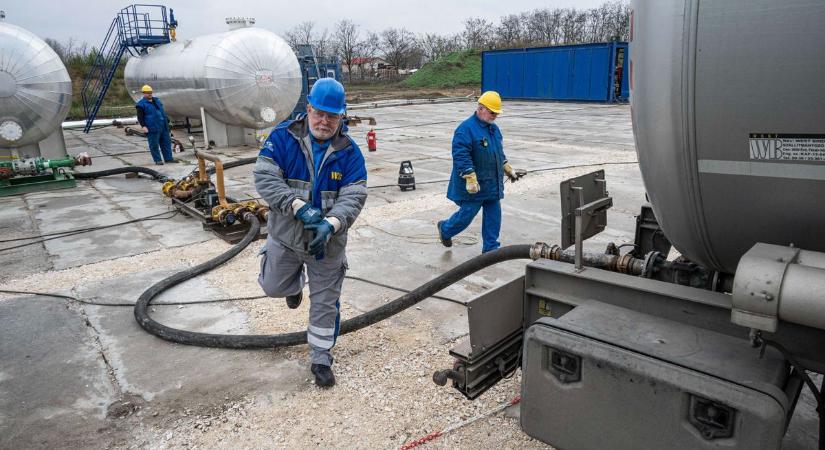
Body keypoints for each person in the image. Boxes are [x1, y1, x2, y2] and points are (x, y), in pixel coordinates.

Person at [253, 78, 367, 388]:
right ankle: (292, 286)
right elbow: (264, 179)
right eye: (319, 113)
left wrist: (331, 224)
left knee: (325, 303)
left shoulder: (350, 152)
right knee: (272, 286)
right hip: (287, 238)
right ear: (308, 109)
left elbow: (354, 196)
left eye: (332, 116)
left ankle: (320, 357)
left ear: (342, 117)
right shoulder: (282, 138)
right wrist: (299, 208)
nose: (324, 121)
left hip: (327, 244)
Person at [437, 91, 518, 253]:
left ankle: (490, 249)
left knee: (494, 217)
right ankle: (445, 229)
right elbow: (460, 154)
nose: (495, 116)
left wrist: (506, 166)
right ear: (481, 108)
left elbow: (497, 152)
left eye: (497, 113)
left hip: (492, 184)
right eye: (492, 112)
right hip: (475, 185)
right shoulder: (465, 129)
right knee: (466, 216)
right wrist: (469, 176)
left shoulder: (494, 130)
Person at [135, 85, 175, 165]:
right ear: (144, 93)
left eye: (150, 92)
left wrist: (167, 121)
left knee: (166, 142)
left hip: (163, 126)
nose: (150, 94)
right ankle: (158, 160)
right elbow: (140, 117)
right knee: (154, 144)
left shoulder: (157, 101)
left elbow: (162, 112)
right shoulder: (141, 104)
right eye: (147, 93)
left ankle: (168, 159)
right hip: (152, 127)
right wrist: (144, 126)